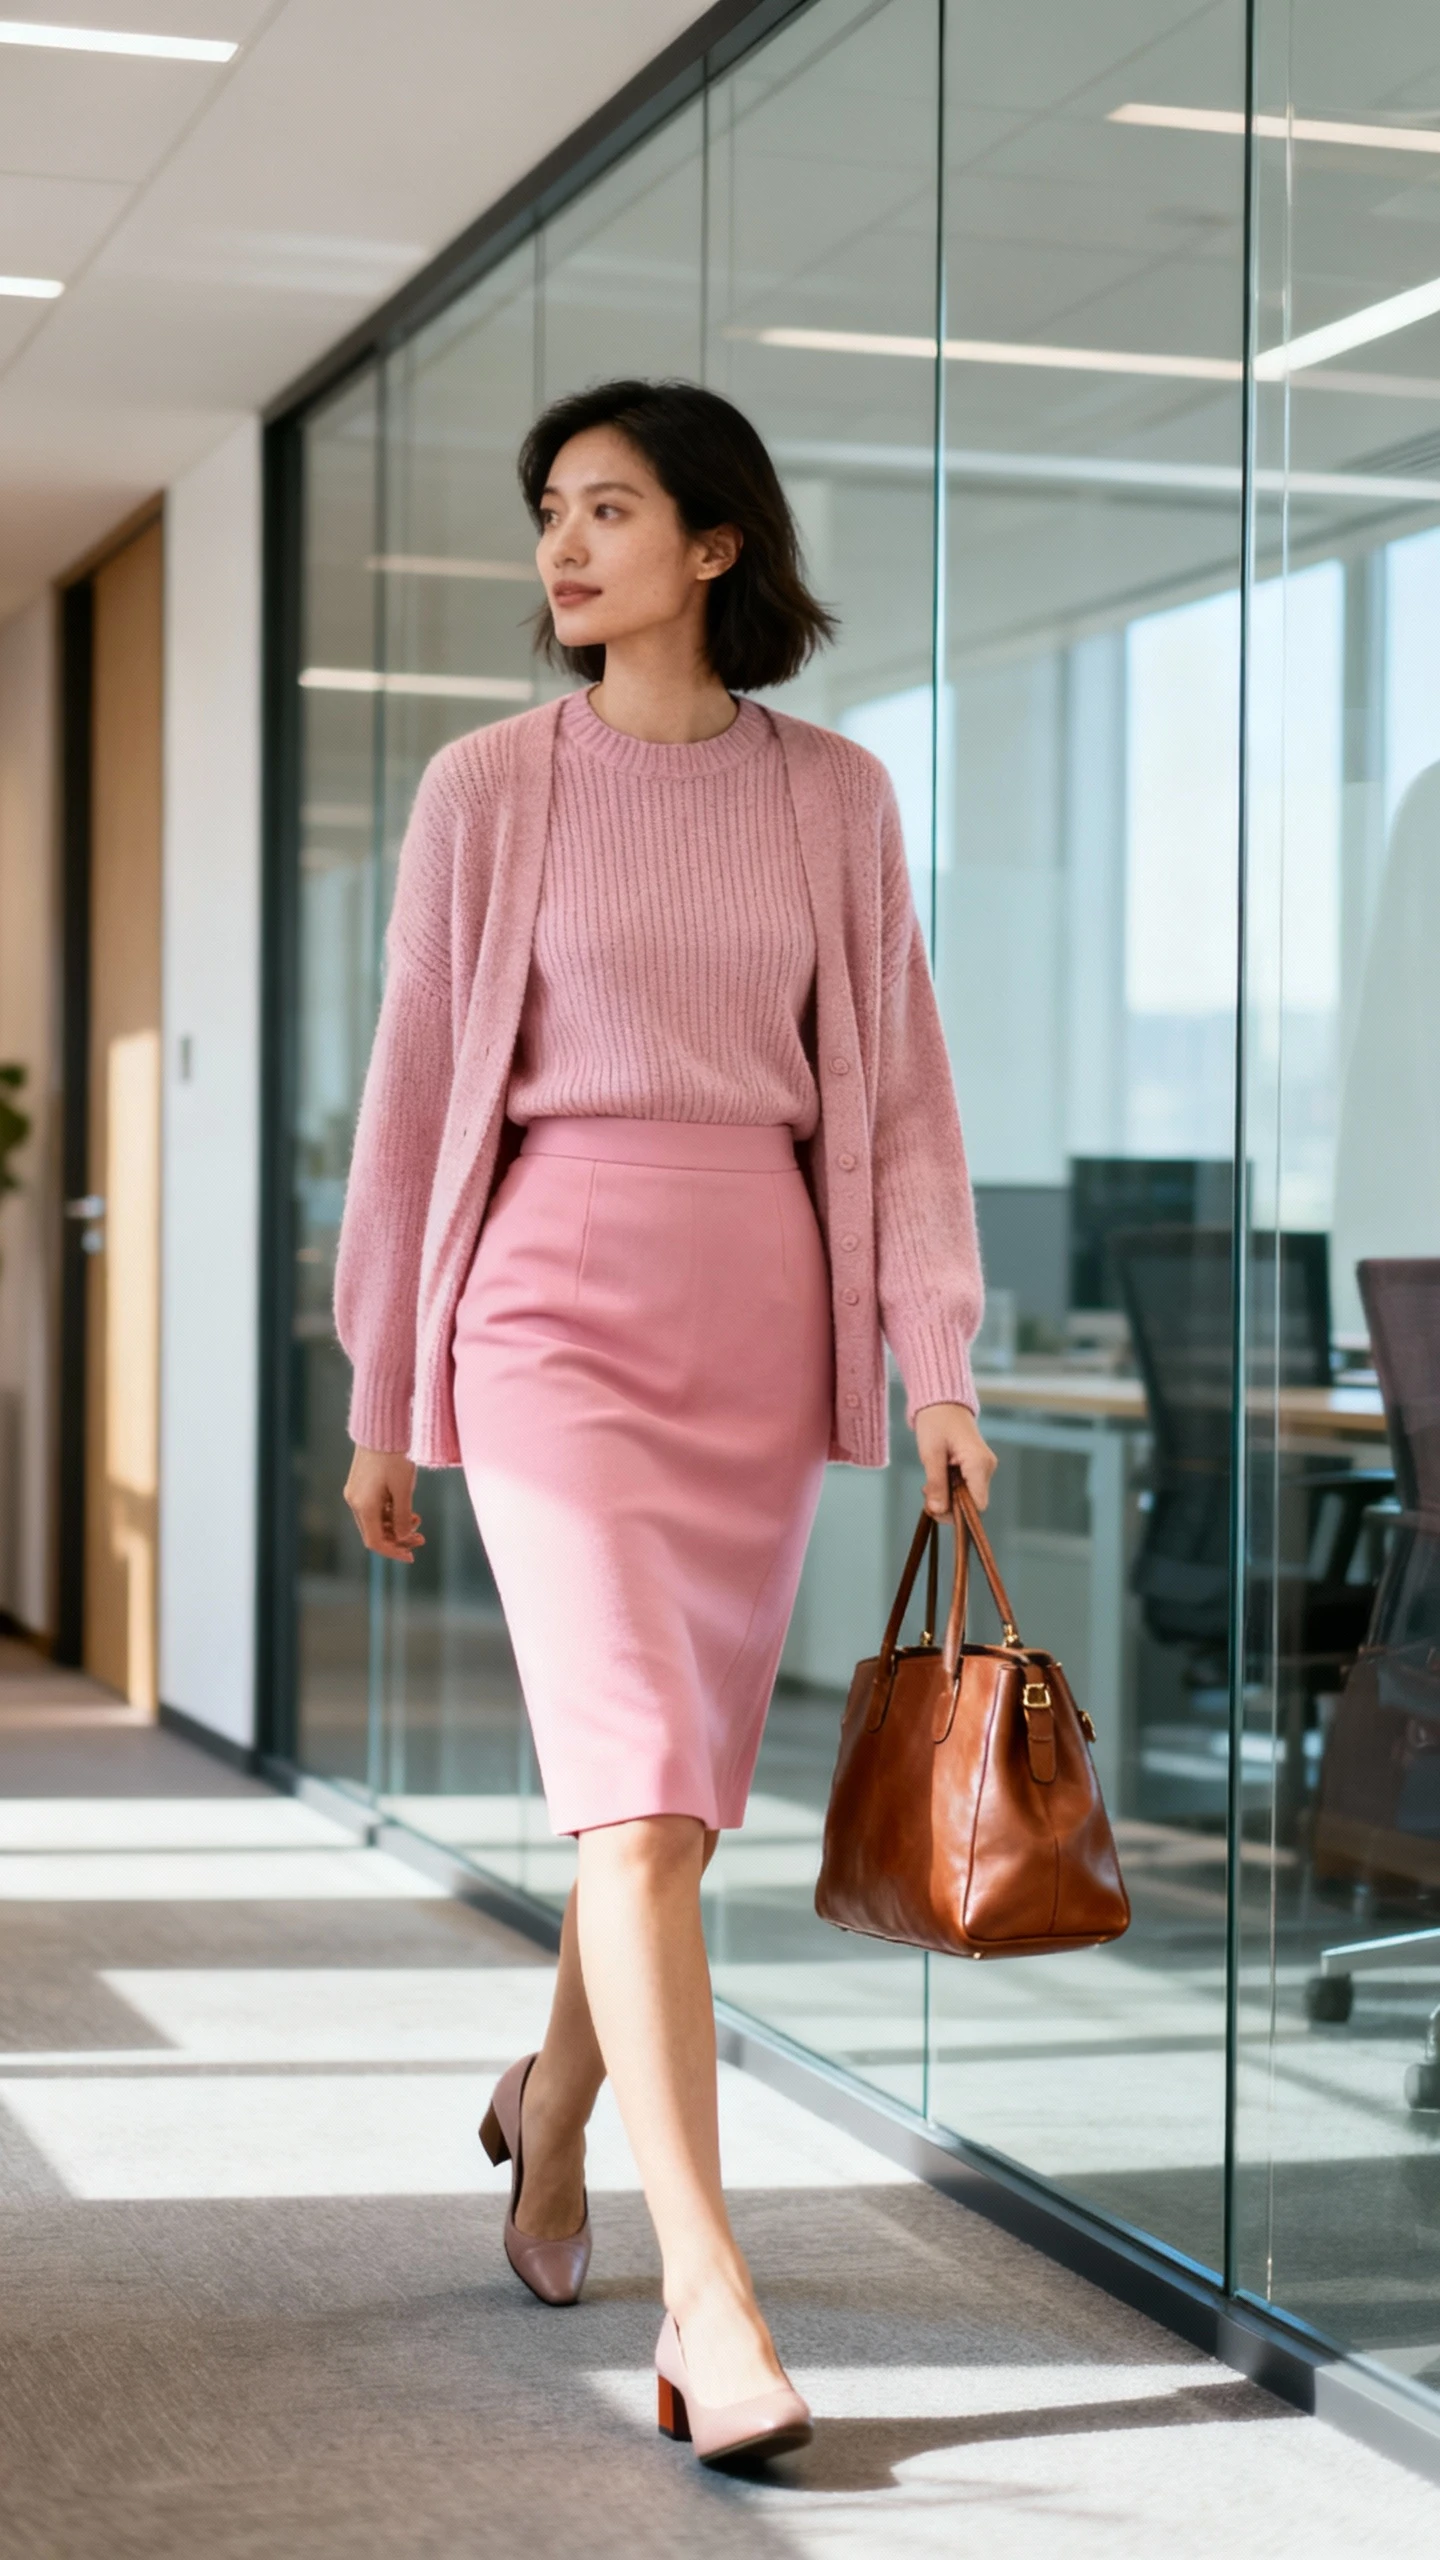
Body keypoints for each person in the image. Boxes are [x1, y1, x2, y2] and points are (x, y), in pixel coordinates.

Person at [334, 376, 994, 2467]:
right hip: (547, 1309)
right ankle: (713, 2301)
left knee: (669, 1819)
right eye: (551, 508)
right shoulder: (485, 788)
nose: (563, 542)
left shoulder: (836, 797)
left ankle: (548, 2114)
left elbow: (900, 1098)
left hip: (755, 1318)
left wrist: (938, 1358)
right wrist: (383, 1386)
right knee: (628, 1809)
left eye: (608, 507)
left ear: (716, 544)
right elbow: (414, 1097)